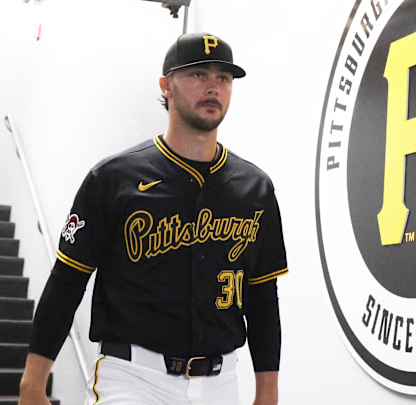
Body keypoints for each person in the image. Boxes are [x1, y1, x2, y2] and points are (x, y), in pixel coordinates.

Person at [18, 32, 288, 405]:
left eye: (223, 78)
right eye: (197, 75)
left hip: (221, 382)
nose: (212, 87)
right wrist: (32, 384)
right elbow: (66, 283)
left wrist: (268, 394)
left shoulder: (255, 187)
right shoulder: (112, 179)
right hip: (132, 377)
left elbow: (262, 297)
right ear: (166, 86)